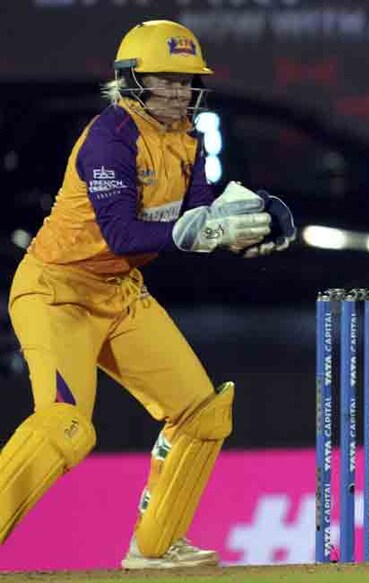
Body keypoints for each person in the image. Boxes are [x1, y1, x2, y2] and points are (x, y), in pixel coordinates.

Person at [0, 20, 296, 568]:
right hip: (56, 291)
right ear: (132, 80)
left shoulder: (189, 136)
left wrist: (253, 221)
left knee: (202, 414)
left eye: (188, 81)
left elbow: (199, 213)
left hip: (119, 293)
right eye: (167, 80)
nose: (180, 92)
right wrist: (202, 231)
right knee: (64, 427)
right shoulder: (108, 139)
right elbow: (123, 234)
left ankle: (154, 549)